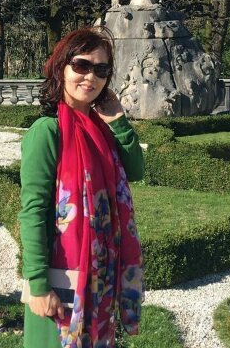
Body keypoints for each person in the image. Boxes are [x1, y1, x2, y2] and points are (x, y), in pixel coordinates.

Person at [19, 26, 144, 348]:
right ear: (61, 68)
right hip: (62, 275)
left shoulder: (102, 131)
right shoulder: (47, 132)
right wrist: (38, 285)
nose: (91, 77)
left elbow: (136, 170)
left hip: (100, 273)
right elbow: (33, 211)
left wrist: (118, 121)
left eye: (101, 70)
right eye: (82, 65)